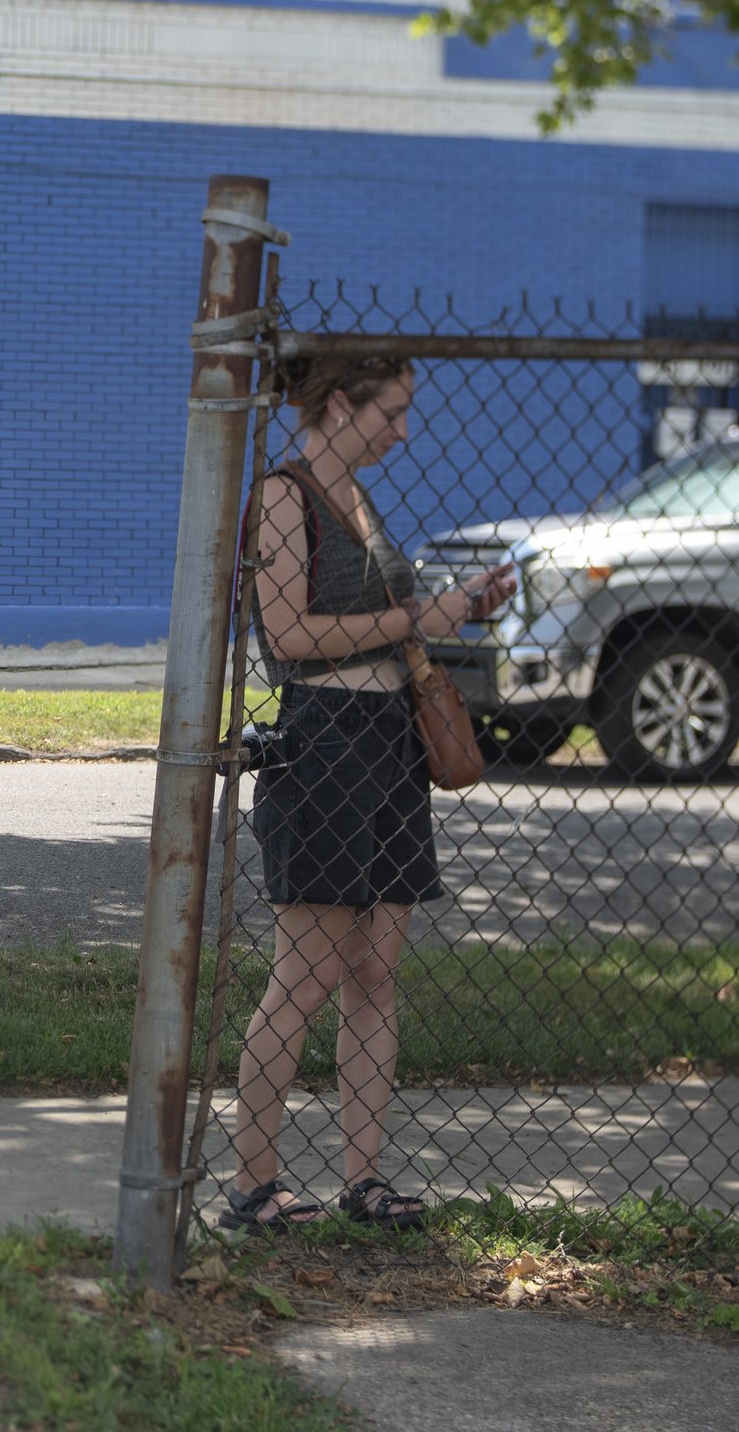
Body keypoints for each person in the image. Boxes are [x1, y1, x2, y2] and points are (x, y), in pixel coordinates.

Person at [223, 355, 514, 1233]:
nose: (403, 431)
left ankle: (364, 1178)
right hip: (325, 745)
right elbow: (288, 633)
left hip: (393, 744)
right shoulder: (285, 494)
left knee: (375, 974)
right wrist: (418, 616)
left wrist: (460, 605)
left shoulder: (356, 495)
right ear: (342, 402)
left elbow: (381, 625)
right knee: (305, 976)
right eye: (392, 411)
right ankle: (253, 1184)